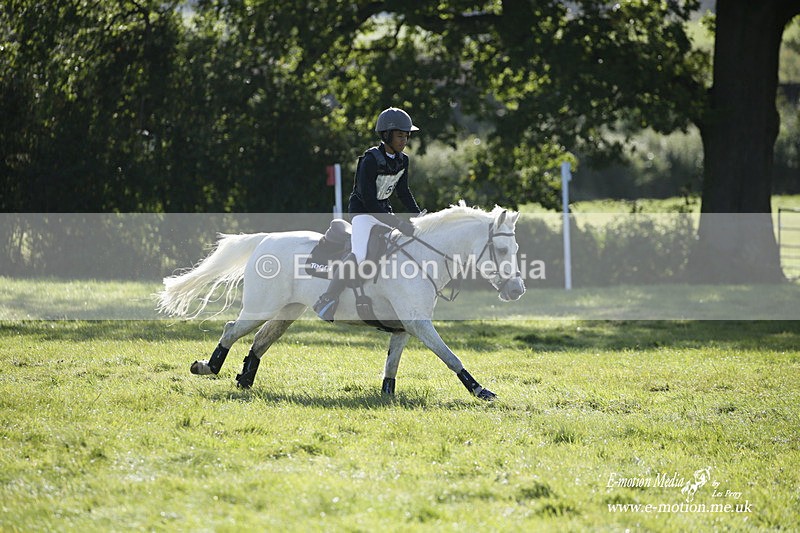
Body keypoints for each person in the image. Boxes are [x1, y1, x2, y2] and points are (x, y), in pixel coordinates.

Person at [313, 107, 423, 321]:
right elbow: (370, 201)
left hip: (383, 211)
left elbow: (403, 192)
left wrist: (420, 217)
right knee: (360, 254)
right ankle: (327, 298)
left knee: (396, 249)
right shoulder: (370, 159)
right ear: (386, 135)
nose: (404, 140)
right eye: (400, 136)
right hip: (363, 212)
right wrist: (398, 223)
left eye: (406, 136)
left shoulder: (403, 160)